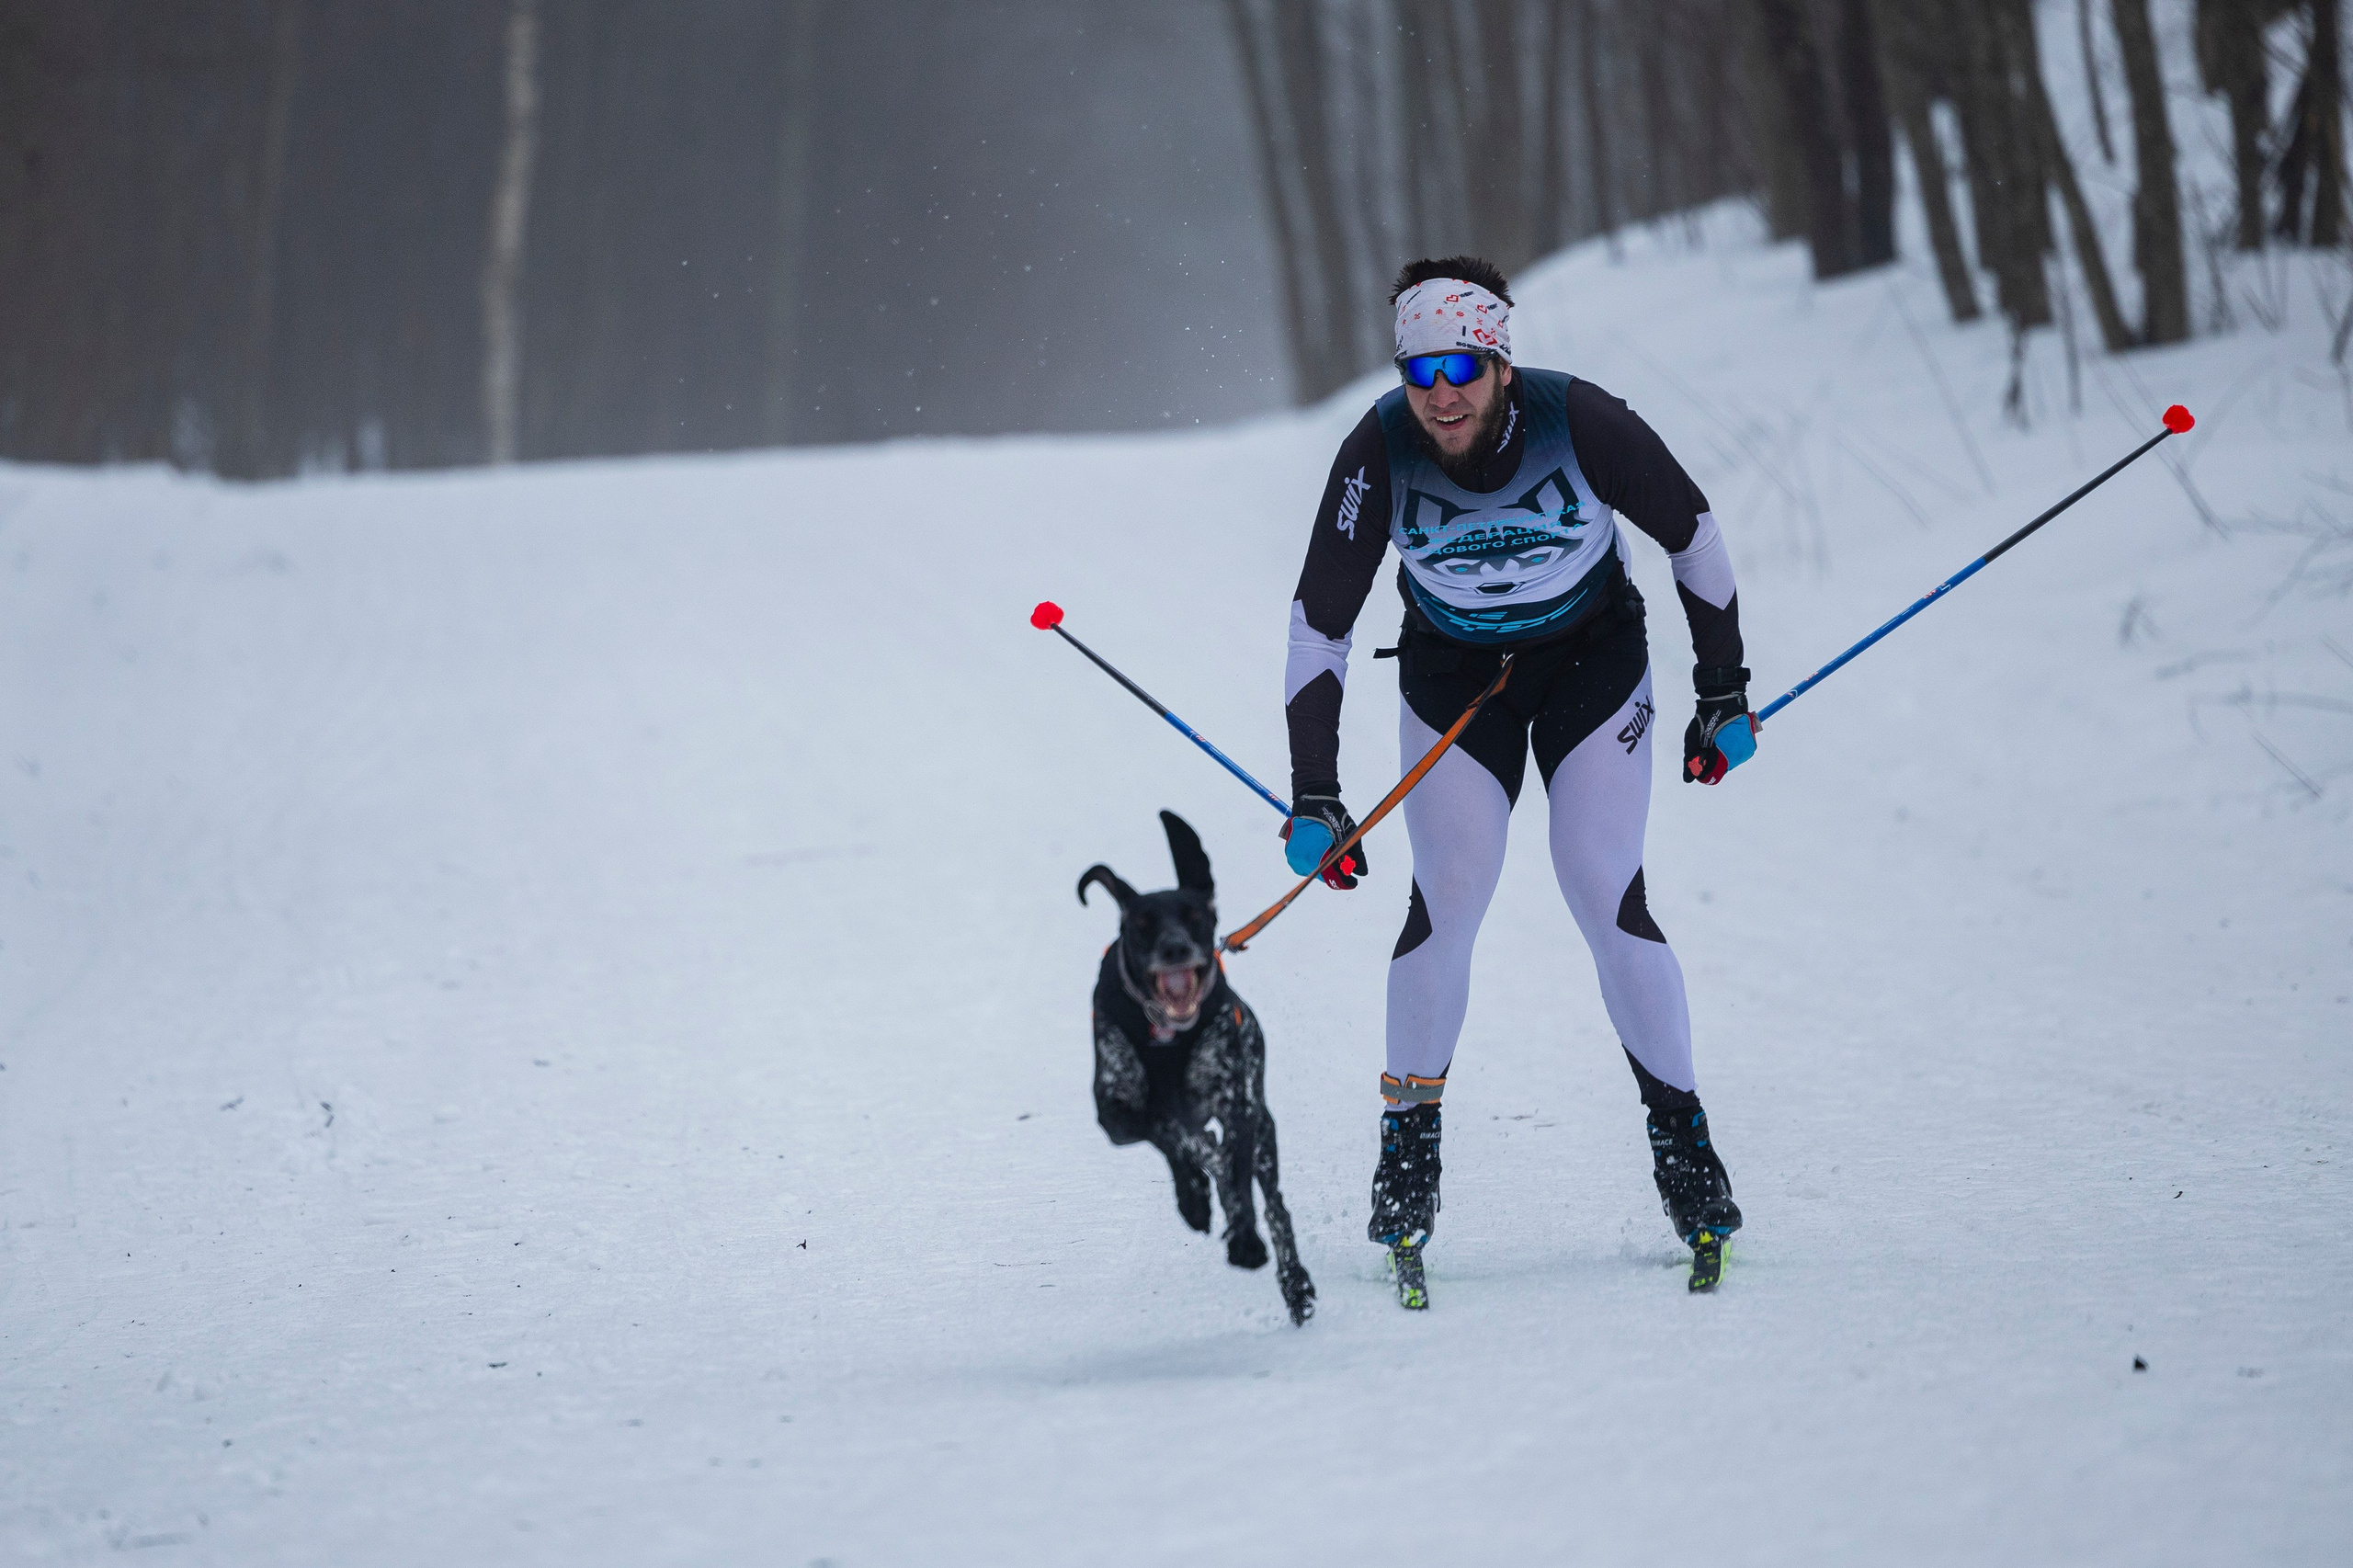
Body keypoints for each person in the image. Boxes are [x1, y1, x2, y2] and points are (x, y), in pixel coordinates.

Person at [1279, 256, 1755, 1298]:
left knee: (1598, 880)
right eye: (1417, 371)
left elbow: (1694, 533)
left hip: (1593, 663)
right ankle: (1408, 1153)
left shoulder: (1577, 419)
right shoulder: (1380, 449)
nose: (1438, 392)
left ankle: (1685, 1148)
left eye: (1460, 364)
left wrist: (1722, 688)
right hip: (1456, 677)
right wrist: (1316, 788)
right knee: (1448, 892)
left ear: (1499, 359)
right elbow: (1320, 627)